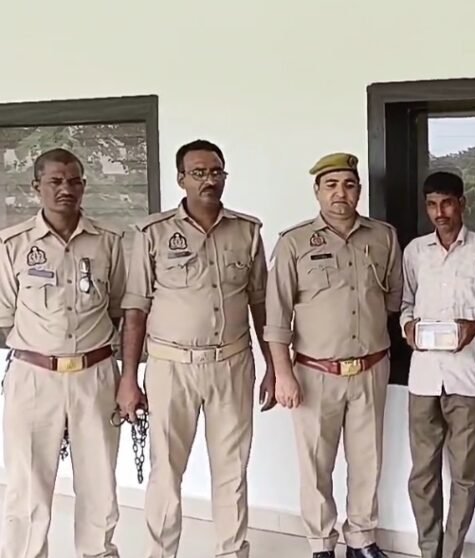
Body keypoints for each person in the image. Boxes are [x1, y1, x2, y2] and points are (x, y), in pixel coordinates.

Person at [117, 139, 275, 558]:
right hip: (172, 366)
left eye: (216, 172)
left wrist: (274, 366)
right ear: (181, 179)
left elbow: (261, 304)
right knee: (166, 472)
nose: (209, 180)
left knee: (232, 470)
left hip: (232, 363)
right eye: (199, 173)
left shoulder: (247, 231)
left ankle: (232, 552)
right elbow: (135, 309)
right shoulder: (153, 233)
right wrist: (129, 378)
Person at [266, 152, 402, 558]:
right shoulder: (294, 243)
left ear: (359, 190)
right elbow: (277, 316)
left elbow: (392, 299)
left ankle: (361, 539)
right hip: (314, 373)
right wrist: (283, 374)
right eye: (331, 185)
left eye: (349, 184)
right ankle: (321, 544)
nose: (340, 193)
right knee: (315, 465)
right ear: (317, 191)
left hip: (370, 369)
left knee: (368, 462)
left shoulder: (383, 237)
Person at [0, 148, 125, 558]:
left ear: (84, 186)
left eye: (73, 181)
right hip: (34, 377)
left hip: (95, 373)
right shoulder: (12, 245)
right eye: (55, 181)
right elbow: (3, 317)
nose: (65, 189)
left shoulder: (109, 242)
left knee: (99, 483)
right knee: (27, 486)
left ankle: (98, 552)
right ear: (36, 186)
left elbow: (118, 308)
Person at [399, 171, 475, 558]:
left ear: (463, 203)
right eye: (431, 205)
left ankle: (451, 551)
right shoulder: (415, 252)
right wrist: (407, 326)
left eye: (446, 203)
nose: (439, 212)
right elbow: (406, 303)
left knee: (464, 476)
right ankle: (429, 551)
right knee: (422, 475)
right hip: (424, 378)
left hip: (469, 377)